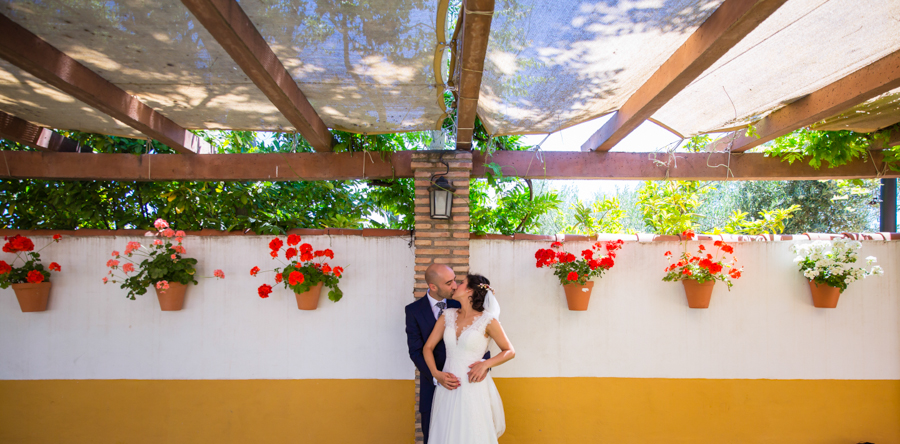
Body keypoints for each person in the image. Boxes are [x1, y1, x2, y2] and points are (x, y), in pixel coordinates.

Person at [424, 274, 514, 444]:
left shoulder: (488, 320)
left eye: (461, 283)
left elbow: (509, 350)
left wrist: (486, 364)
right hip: (447, 384)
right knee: (445, 431)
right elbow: (427, 347)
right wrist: (436, 374)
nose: (455, 285)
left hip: (472, 385)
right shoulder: (447, 315)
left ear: (470, 291)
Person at [406, 264, 490, 443]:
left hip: (468, 384)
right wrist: (437, 376)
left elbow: (482, 338)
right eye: (449, 282)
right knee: (436, 436)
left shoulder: (463, 302)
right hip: (433, 385)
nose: (454, 286)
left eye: (455, 281)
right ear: (433, 287)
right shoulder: (413, 311)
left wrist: (483, 366)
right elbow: (416, 351)